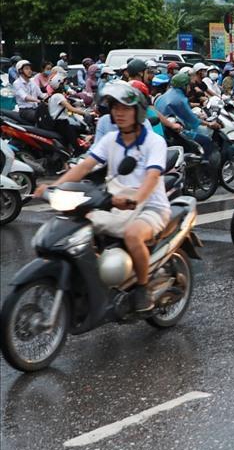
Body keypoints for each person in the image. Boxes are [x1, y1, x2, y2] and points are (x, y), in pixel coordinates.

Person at [36, 81, 172, 312]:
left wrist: (137, 199)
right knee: (78, 228)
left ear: (137, 111)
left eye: (125, 108)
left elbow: (152, 177)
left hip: (151, 205)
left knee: (132, 235)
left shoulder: (153, 142)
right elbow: (85, 166)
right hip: (116, 202)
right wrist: (54, 187)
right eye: (115, 108)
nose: (119, 113)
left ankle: (142, 287)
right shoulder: (110, 140)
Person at [155, 72, 219, 163]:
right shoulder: (180, 99)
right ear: (184, 86)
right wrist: (209, 124)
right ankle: (206, 167)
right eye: (189, 86)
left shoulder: (164, 96)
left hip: (165, 131)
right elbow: (192, 121)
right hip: (177, 134)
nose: (190, 89)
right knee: (206, 141)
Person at [46, 71, 89, 149]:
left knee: (77, 130)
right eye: (64, 84)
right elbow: (70, 108)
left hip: (58, 123)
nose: (65, 85)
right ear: (60, 85)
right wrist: (85, 113)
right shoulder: (58, 96)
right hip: (61, 123)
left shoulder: (53, 96)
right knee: (75, 144)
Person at [12, 59, 43, 124]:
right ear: (20, 71)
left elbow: (41, 94)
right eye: (27, 69)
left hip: (35, 108)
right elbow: (25, 97)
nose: (30, 71)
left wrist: (51, 97)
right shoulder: (17, 83)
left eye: (30, 69)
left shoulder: (33, 82)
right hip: (25, 110)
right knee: (41, 118)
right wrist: (38, 100)